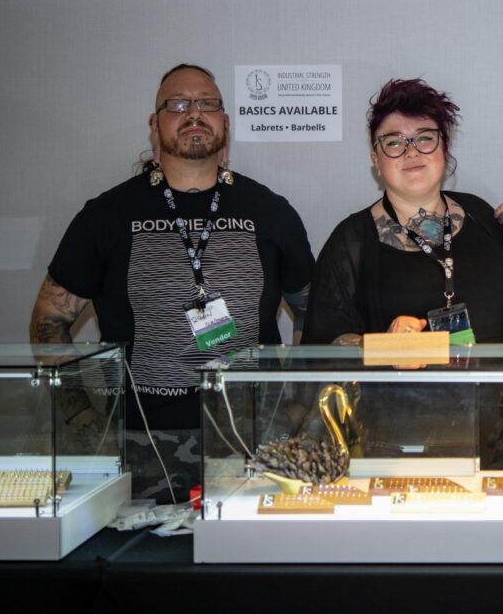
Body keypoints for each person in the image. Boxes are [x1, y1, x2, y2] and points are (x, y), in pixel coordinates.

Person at [29, 63, 314, 502]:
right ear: (154, 124)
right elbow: (49, 319)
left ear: (225, 122)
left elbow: (312, 311)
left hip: (257, 442)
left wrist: (298, 404)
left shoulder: (271, 211)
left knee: (253, 565)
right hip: (142, 446)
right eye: (177, 104)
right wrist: (82, 419)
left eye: (207, 104)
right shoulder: (106, 216)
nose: (194, 113)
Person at [302, 78, 503, 469]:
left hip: (491, 441)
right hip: (394, 448)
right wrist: (381, 345)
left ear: (444, 147)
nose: (410, 151)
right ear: (375, 157)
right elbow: (320, 348)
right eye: (394, 141)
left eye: (424, 138)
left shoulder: (483, 217)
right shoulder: (352, 240)